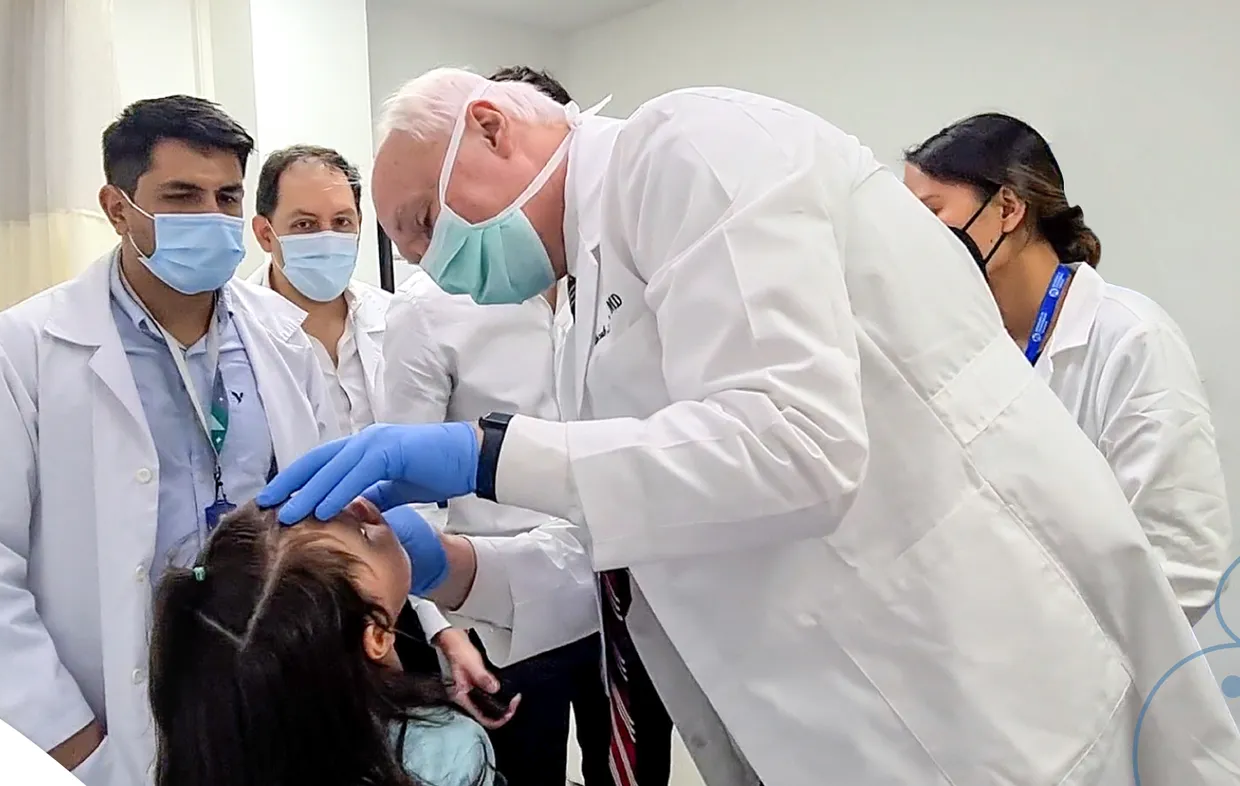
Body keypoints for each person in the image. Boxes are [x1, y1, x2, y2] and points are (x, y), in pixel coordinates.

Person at [258, 69, 1240, 785]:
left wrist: (484, 452)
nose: (429, 268)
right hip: (831, 725)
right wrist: (458, 565)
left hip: (971, 705)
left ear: (490, 126)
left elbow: (792, 448)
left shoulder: (687, 149)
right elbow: (646, 541)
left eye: (423, 223)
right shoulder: (580, 301)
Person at [0, 95, 335, 786]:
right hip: (111, 717)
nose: (211, 218)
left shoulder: (283, 339)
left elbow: (318, 514)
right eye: (181, 196)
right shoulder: (22, 351)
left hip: (266, 694)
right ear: (118, 207)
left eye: (227, 196)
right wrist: (69, 743)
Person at [374, 64, 618, 786]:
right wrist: (443, 626)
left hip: (625, 585)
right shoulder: (433, 304)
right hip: (499, 606)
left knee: (632, 764)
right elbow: (407, 488)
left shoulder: (610, 276)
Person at [904, 113, 1231, 624]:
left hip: (1093, 676)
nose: (917, 240)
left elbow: (1182, 563)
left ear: (1008, 208)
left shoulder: (1131, 338)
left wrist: (1050, 650)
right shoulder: (959, 345)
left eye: (932, 212)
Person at [244, 144, 482, 686]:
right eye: (304, 224)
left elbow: (425, 495)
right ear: (265, 233)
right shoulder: (237, 337)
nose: (327, 238)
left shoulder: (397, 319)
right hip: (296, 607)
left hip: (406, 591)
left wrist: (444, 625)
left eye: (341, 222)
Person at [149, 499, 499, 786]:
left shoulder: (214, 758)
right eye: (364, 533)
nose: (362, 502)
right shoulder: (444, 752)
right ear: (376, 635)